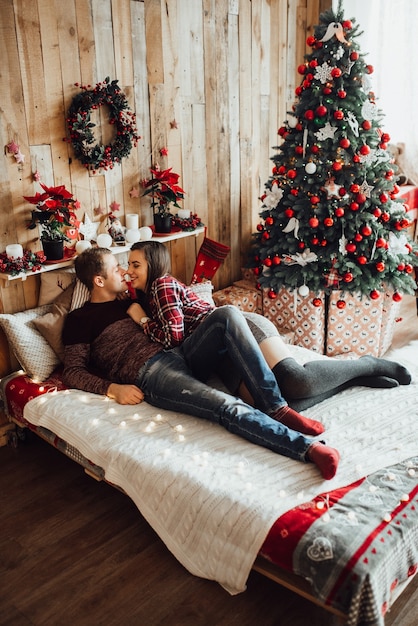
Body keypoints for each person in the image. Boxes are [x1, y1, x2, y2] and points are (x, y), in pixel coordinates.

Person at [62, 247, 340, 480]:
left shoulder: (136, 298)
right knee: (226, 406)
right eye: (116, 269)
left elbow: (174, 309)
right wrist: (112, 389)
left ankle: (276, 407)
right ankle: (308, 449)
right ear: (99, 281)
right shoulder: (79, 320)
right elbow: (72, 371)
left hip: (184, 350)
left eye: (129, 266)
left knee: (227, 313)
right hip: (154, 371)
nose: (124, 272)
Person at [126, 241, 412, 411]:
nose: (129, 271)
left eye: (135, 264)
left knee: (296, 381)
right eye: (128, 265)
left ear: (152, 264)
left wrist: (142, 320)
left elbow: (173, 337)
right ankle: (352, 379)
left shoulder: (162, 284)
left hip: (242, 327)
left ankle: (367, 365)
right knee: (274, 404)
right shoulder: (152, 295)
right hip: (222, 352)